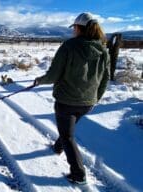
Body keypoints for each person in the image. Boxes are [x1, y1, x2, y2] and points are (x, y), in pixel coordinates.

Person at [33, 12, 110, 185]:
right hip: (88, 102)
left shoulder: (69, 46)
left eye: (74, 27)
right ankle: (57, 147)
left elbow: (53, 74)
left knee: (68, 136)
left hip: (66, 100)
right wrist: (96, 98)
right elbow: (105, 79)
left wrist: (39, 81)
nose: (73, 30)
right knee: (67, 131)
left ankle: (78, 174)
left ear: (78, 27)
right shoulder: (103, 50)